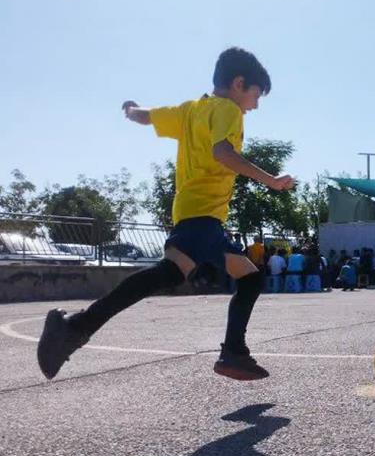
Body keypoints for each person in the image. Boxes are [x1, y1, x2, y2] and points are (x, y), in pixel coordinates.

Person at [36, 47, 294, 381]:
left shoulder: (190, 110)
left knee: (181, 275)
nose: (255, 105)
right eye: (255, 95)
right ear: (238, 83)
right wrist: (271, 180)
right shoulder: (228, 110)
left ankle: (75, 328)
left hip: (192, 214)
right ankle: (232, 351)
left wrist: (131, 110)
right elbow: (222, 153)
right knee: (240, 277)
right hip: (203, 216)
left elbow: (148, 117)